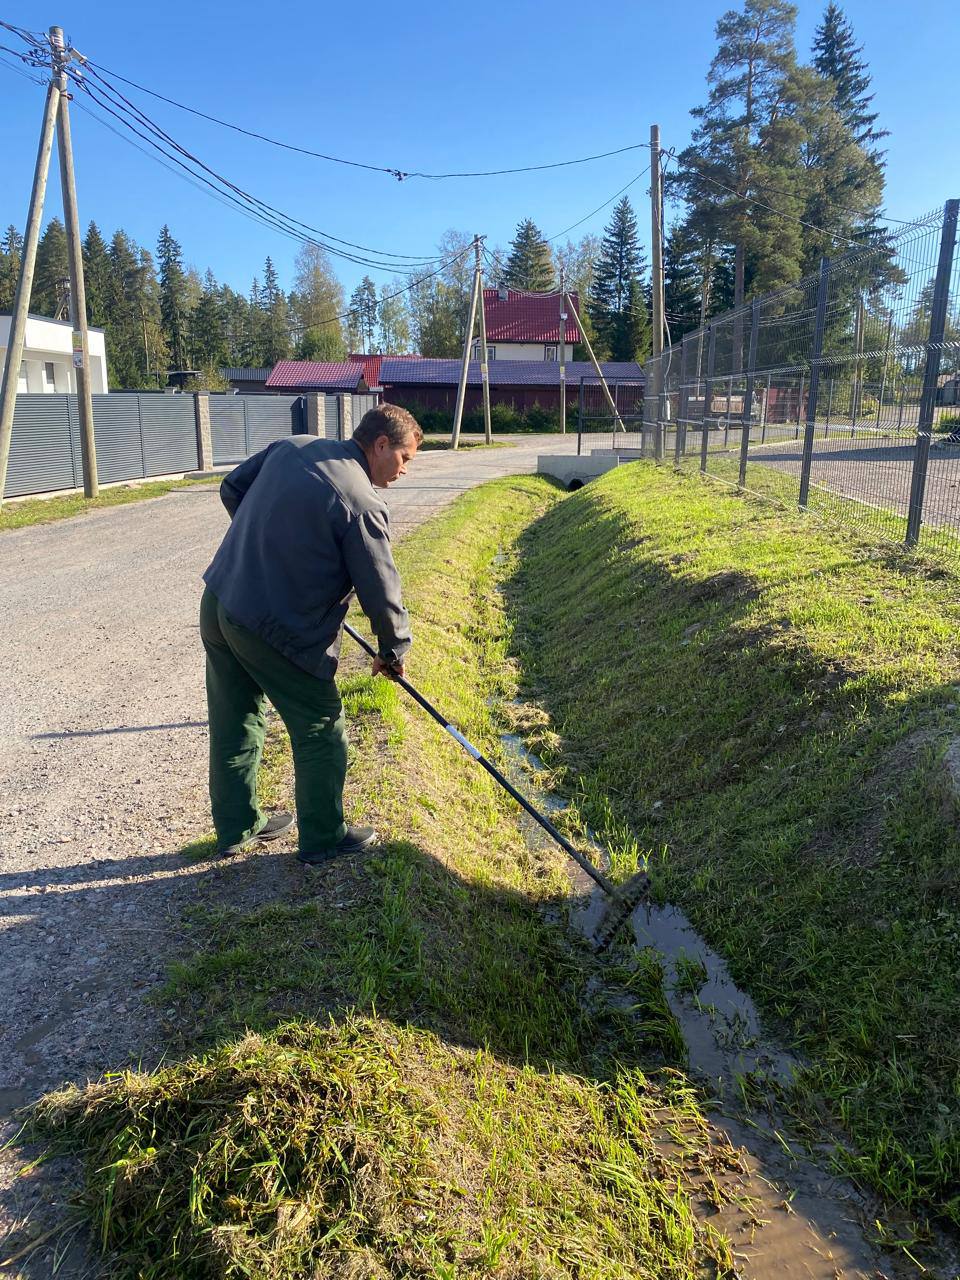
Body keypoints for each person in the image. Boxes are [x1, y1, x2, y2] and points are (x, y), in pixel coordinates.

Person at [199, 403, 422, 865]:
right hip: (269, 623)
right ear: (381, 444)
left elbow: (232, 487)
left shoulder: (294, 447)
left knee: (234, 715)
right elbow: (380, 590)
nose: (404, 471)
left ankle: (236, 828)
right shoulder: (363, 503)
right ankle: (323, 836)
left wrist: (269, 547)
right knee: (320, 723)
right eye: (404, 459)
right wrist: (393, 649)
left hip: (222, 597)